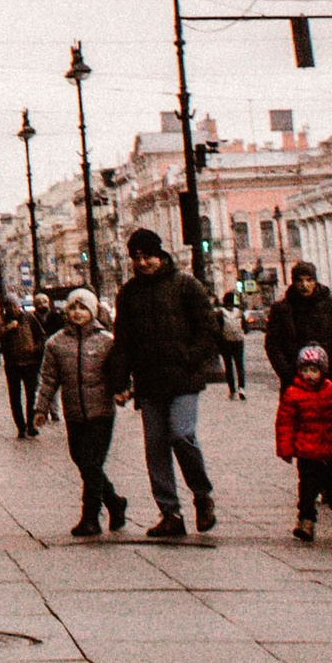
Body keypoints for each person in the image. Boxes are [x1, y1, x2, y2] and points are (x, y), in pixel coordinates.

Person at [107, 227, 223, 539]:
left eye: (148, 256)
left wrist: (189, 356)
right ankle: (170, 512)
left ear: (160, 254)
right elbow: (123, 342)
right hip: (149, 380)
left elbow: (209, 329)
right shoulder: (129, 293)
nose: (143, 262)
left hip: (183, 378)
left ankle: (202, 495)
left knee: (182, 434)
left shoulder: (185, 284)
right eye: (137, 257)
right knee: (155, 448)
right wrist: (119, 381)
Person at [36, 289, 127, 537]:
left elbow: (118, 371)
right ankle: (115, 503)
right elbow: (49, 378)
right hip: (74, 413)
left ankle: (90, 517)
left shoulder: (106, 341)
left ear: (93, 312)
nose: (77, 313)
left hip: (101, 413)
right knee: (81, 460)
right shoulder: (56, 343)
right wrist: (41, 408)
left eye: (83, 308)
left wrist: (123, 391)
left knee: (91, 462)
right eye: (73, 308)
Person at [276, 344, 332, 542]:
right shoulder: (294, 393)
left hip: (330, 452)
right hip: (307, 452)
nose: (309, 375)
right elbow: (285, 423)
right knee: (307, 490)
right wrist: (286, 448)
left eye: (314, 370)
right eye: (305, 370)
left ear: (323, 371)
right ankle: (306, 520)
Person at [266, 258, 332, 387]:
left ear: (315, 281)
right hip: (294, 379)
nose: (304, 285)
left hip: (329, 379)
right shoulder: (282, 309)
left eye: (309, 280)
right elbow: (273, 345)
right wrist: (288, 374)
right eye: (299, 281)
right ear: (293, 282)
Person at [1, 302, 43, 437]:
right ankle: (21, 426)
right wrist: (7, 328)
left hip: (30, 363)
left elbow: (41, 336)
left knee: (32, 395)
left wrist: (35, 349)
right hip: (12, 364)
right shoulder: (2, 320)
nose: (12, 309)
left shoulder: (29, 318)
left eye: (14, 306)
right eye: (9, 307)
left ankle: (31, 424)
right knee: (15, 397)